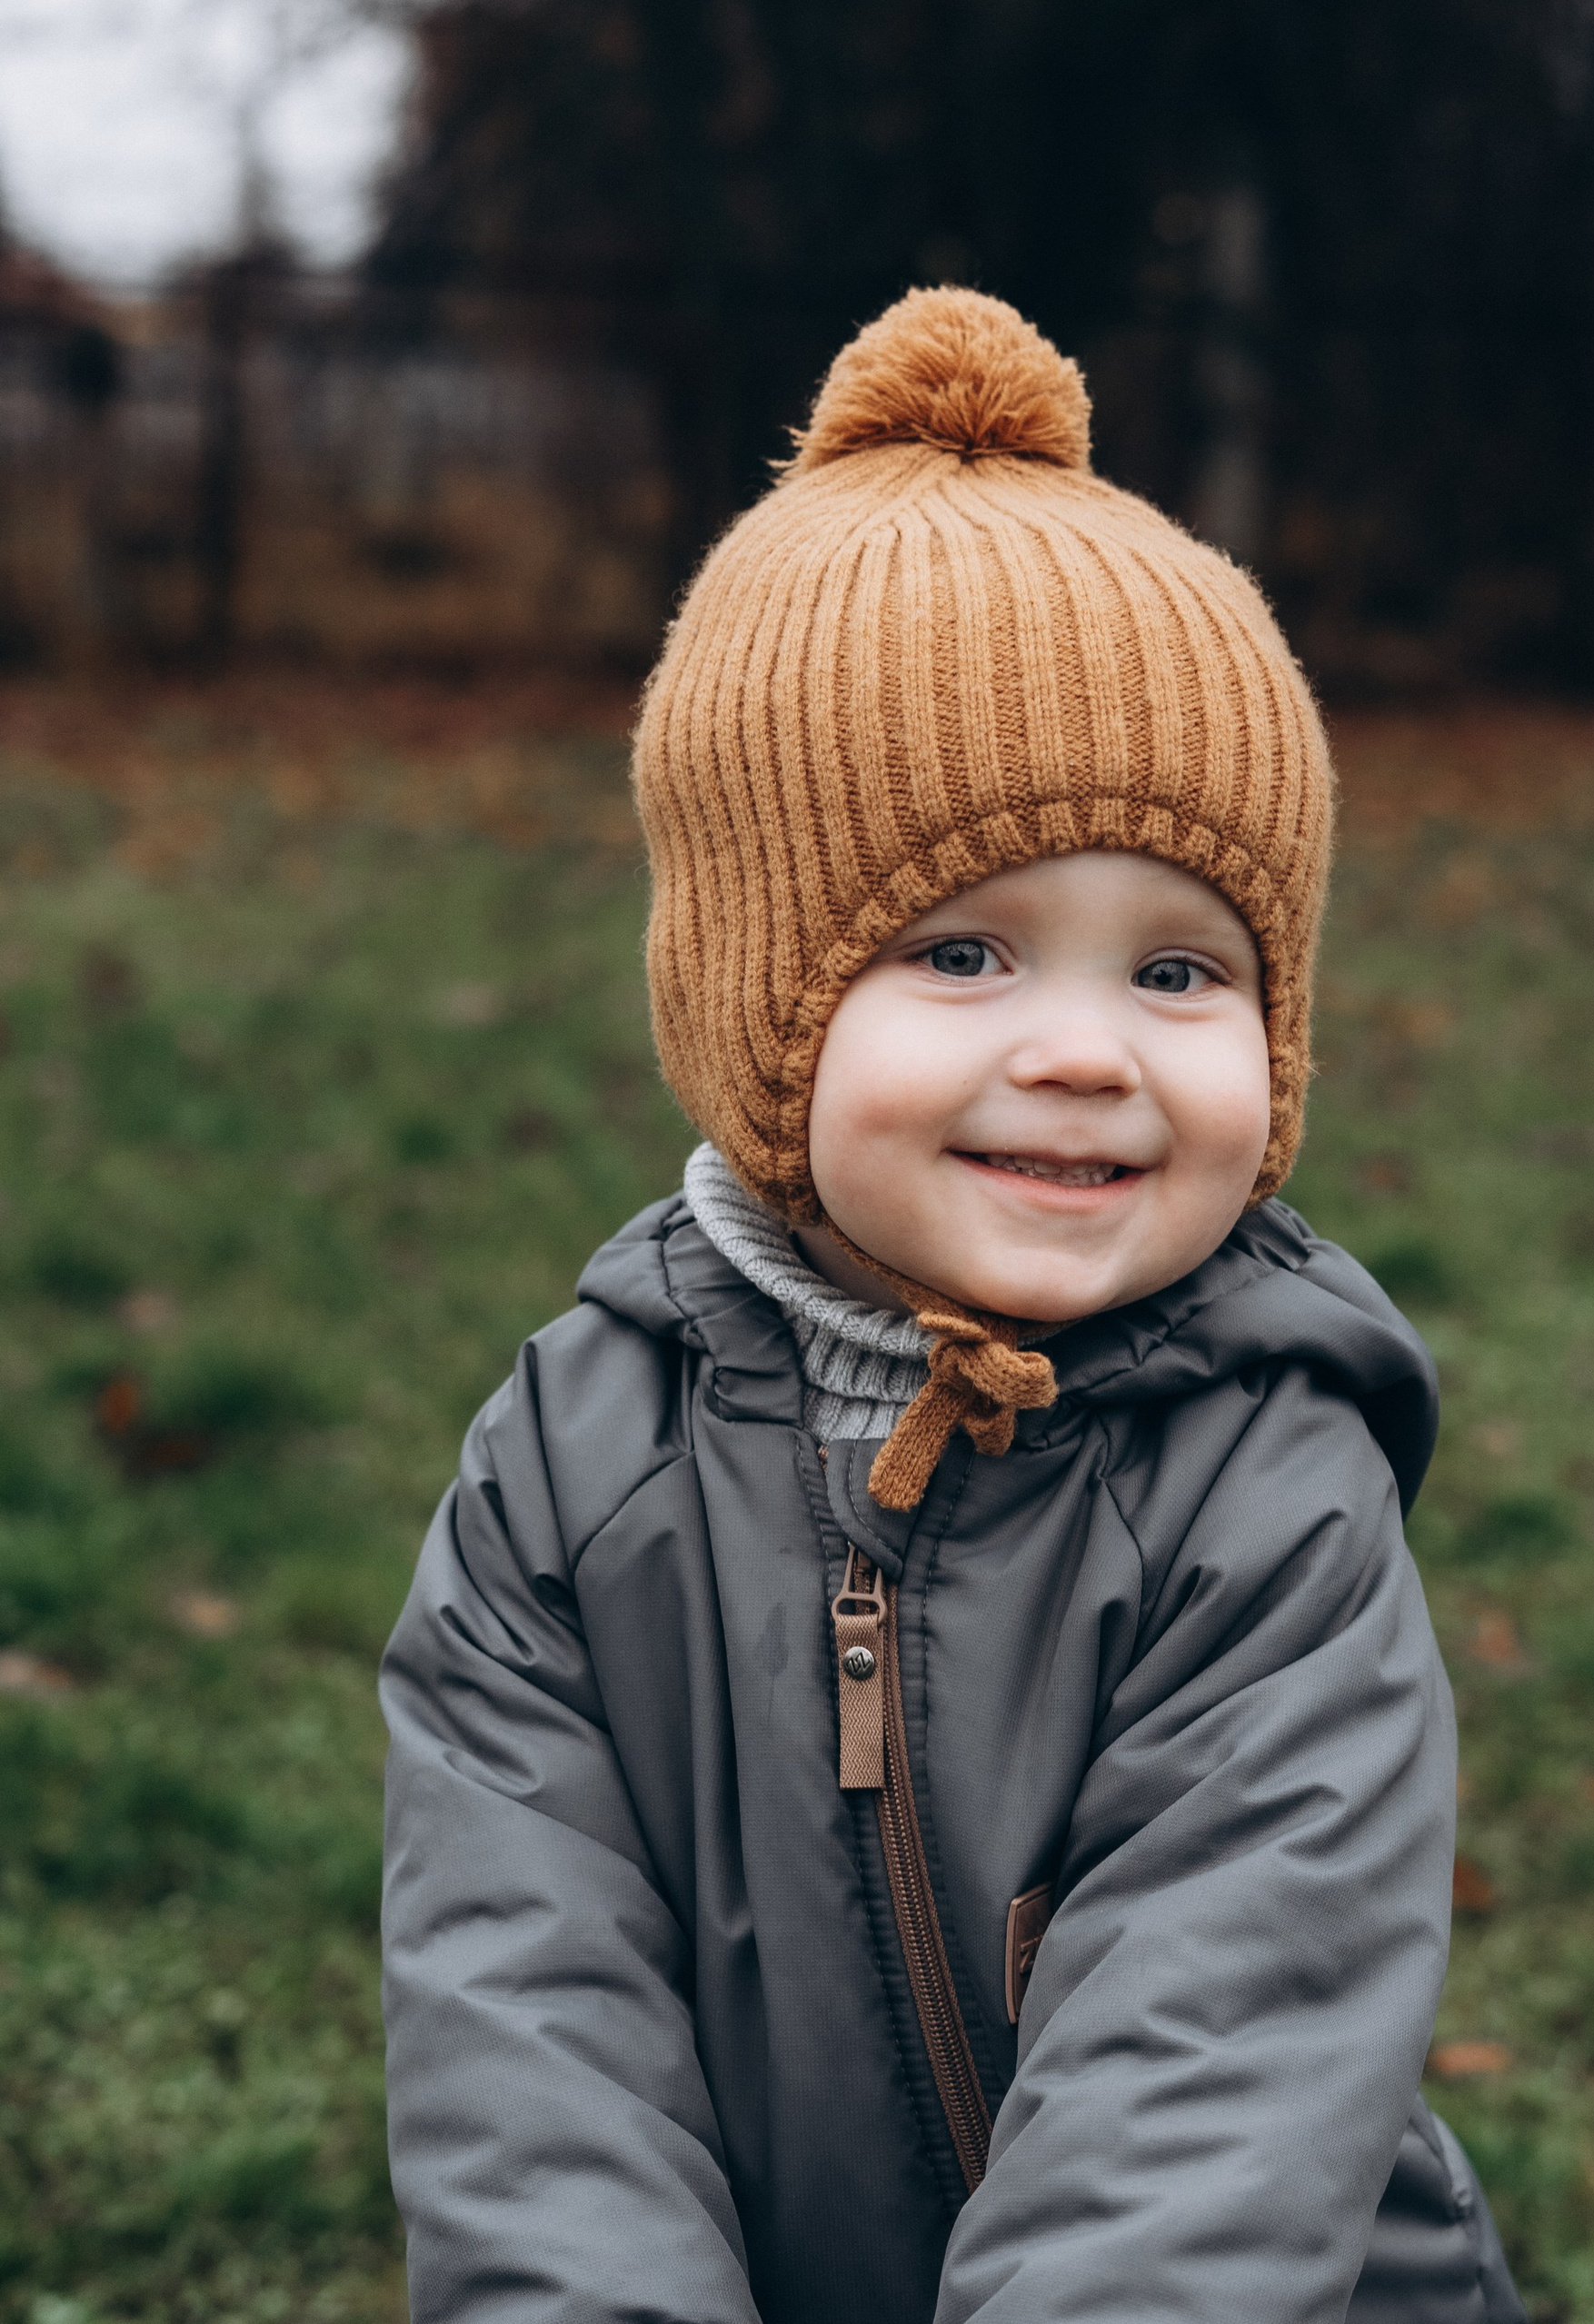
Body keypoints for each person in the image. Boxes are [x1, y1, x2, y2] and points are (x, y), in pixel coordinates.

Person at [379, 287, 1525, 2324]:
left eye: (1182, 972)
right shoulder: (565, 1475)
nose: (1089, 1050)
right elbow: (531, 2025)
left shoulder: (1271, 1499)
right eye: (967, 953)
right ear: (759, 1005)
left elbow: (1209, 2099)